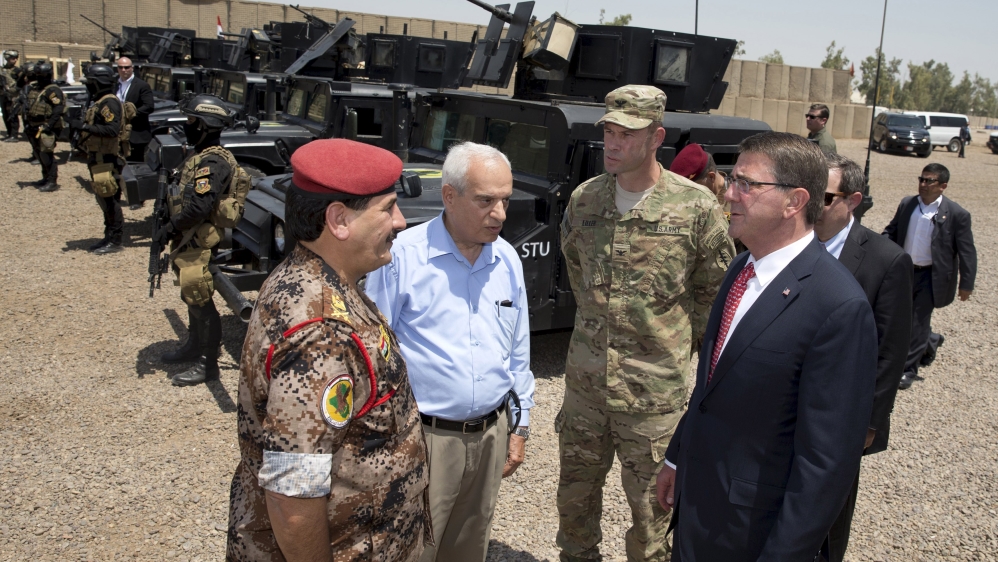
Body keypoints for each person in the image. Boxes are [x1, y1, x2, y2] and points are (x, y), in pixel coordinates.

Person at [656, 132, 878, 561]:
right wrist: (678, 458)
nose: (728, 194)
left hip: (753, 533)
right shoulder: (741, 268)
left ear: (794, 201)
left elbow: (826, 464)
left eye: (747, 184)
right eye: (731, 178)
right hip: (698, 513)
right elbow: (711, 384)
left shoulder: (838, 307)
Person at [227, 138, 429, 562]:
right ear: (339, 219)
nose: (401, 221)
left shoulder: (314, 278)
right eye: (388, 207)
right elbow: (292, 494)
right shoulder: (321, 332)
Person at [558, 85, 734, 562]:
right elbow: (577, 272)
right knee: (574, 513)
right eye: (609, 132)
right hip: (586, 392)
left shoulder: (695, 208)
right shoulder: (585, 200)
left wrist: (674, 349)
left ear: (657, 137)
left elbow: (715, 296)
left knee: (652, 523)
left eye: (627, 134)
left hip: (654, 400)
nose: (613, 144)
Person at [365, 142, 535, 562]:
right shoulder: (402, 256)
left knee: (468, 547)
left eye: (505, 200)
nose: (499, 214)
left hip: (492, 434)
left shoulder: (507, 259)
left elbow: (518, 351)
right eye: (485, 201)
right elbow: (374, 354)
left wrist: (521, 424)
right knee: (413, 548)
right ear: (449, 196)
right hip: (424, 438)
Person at [815, 153, 913, 562]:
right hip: (784, 405)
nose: (809, 207)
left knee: (828, 515)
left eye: (824, 197)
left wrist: (871, 422)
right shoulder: (788, 244)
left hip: (840, 416)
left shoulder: (885, 260)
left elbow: (890, 351)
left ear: (852, 201)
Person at [154, 94, 237, 387]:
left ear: (205, 124)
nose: (187, 125)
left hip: (198, 240)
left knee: (200, 297)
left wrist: (171, 226)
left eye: (191, 121)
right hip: (187, 238)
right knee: (190, 294)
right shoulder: (199, 154)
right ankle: (193, 345)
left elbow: (201, 207)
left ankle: (208, 363)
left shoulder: (213, 162)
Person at [883, 163, 976, 390]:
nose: (923, 185)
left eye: (929, 181)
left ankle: (907, 369)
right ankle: (931, 341)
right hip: (905, 272)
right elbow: (892, 231)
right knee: (898, 316)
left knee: (917, 321)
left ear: (943, 186)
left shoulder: (957, 214)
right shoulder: (908, 204)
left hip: (930, 276)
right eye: (921, 179)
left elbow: (967, 251)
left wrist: (967, 284)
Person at [70, 63, 131, 254]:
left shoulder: (109, 103)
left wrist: (84, 127)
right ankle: (108, 236)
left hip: (108, 159)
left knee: (111, 200)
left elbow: (112, 130)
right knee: (104, 200)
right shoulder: (100, 101)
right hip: (99, 158)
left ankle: (116, 240)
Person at [23, 61, 65, 192]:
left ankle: (52, 181)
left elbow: (58, 108)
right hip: (34, 126)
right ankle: (45, 177)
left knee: (46, 154)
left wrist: (49, 125)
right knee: (38, 153)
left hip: (47, 126)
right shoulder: (35, 88)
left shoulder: (52, 90)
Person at [114, 57, 153, 162]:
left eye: (126, 67)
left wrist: (130, 114)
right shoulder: (114, 84)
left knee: (134, 165)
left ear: (132, 68)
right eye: (120, 67)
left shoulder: (142, 85)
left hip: (136, 134)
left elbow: (149, 106)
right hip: (116, 132)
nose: (123, 70)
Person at [1, 50, 21, 141]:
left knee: (12, 115)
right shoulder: (2, 70)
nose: (14, 60)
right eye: (12, 58)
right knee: (5, 115)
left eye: (15, 58)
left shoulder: (17, 71)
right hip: (3, 95)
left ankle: (14, 135)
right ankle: (10, 133)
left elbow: (21, 83)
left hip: (13, 96)